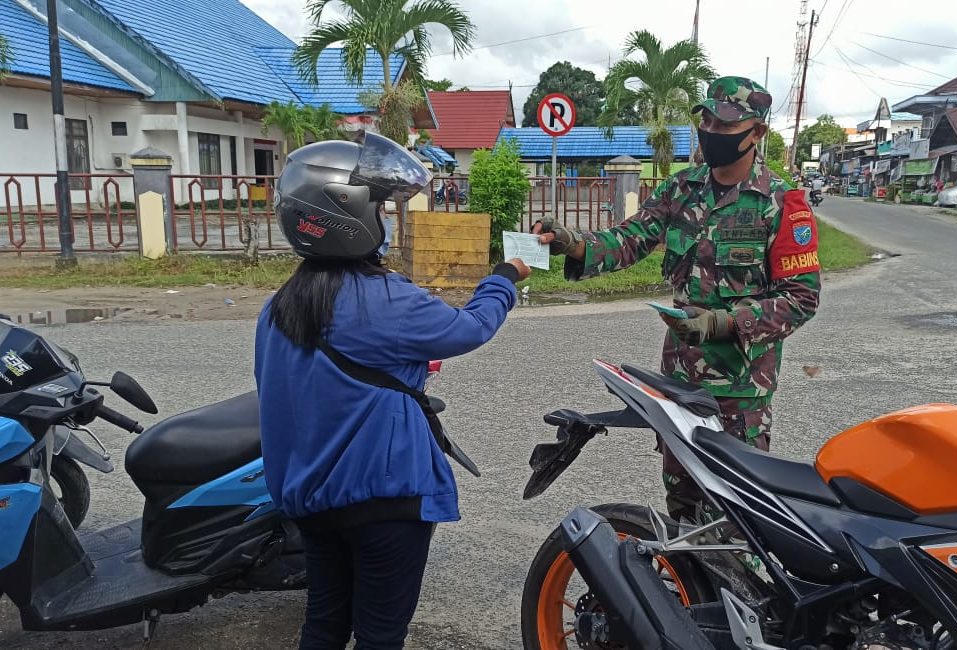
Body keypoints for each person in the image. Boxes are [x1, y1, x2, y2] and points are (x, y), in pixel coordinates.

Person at [254, 134, 530, 649]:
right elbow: (470, 327)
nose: (384, 221)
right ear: (350, 215)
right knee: (380, 635)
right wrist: (504, 279)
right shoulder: (383, 300)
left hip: (312, 502)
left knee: (324, 624)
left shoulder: (278, 308)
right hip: (384, 503)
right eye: (379, 208)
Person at [534, 76, 821, 523]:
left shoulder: (783, 205)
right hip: (679, 382)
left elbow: (802, 298)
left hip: (738, 392)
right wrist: (572, 242)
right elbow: (629, 239)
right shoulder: (680, 189)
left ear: (756, 133)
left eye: (724, 126)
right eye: (706, 120)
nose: (711, 132)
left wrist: (724, 322)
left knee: (735, 514)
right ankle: (689, 589)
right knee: (682, 502)